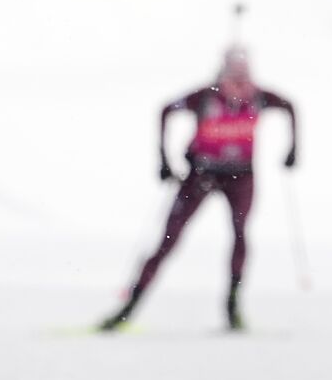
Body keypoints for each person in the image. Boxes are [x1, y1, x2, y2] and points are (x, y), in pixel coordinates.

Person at [99, 47, 296, 332]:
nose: (238, 80)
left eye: (243, 72)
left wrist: (292, 150)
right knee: (168, 240)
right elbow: (166, 109)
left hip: (241, 175)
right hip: (201, 174)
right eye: (234, 72)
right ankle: (127, 309)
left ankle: (232, 308)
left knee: (240, 235)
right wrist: (164, 160)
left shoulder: (259, 97)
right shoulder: (205, 96)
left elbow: (290, 106)